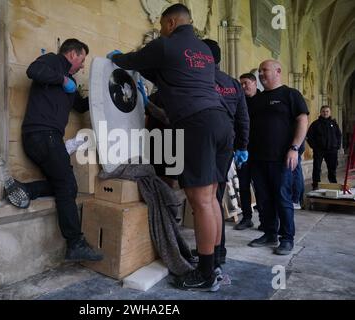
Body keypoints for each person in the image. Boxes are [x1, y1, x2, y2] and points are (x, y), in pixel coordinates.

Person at [108, 4, 233, 291]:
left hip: (196, 123)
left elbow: (131, 60)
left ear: (172, 22)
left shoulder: (166, 44)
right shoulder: (202, 50)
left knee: (200, 200)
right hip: (220, 121)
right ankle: (212, 263)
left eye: (164, 24)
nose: (162, 28)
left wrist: (117, 58)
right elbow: (173, 76)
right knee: (211, 197)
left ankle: (204, 273)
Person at [4, 39, 103, 262]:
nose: (83, 66)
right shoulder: (52, 61)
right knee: (68, 185)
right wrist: (62, 79)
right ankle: (75, 243)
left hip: (45, 138)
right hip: (43, 135)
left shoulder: (72, 84)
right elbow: (33, 70)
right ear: (72, 54)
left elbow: (80, 105)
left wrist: (104, 94)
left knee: (64, 185)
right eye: (82, 59)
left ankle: (26, 189)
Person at [248, 60, 309, 255]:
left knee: (282, 198)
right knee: (264, 199)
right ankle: (269, 233)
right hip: (257, 159)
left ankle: (287, 238)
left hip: (282, 159)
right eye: (259, 71)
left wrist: (294, 148)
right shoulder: (257, 99)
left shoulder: (291, 95)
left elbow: (302, 120)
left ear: (278, 71)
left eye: (264, 70)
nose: (261, 74)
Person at [202, 39, 250, 271]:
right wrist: (242, 146)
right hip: (228, 145)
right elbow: (243, 118)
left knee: (205, 200)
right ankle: (217, 251)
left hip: (206, 141)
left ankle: (210, 254)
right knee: (216, 196)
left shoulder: (199, 78)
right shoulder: (233, 83)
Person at [234, 73, 261, 230]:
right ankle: (247, 217)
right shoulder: (239, 100)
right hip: (242, 151)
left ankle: (265, 219)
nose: (243, 87)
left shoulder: (263, 100)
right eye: (241, 84)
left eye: (246, 83)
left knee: (260, 186)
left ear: (254, 83)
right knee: (243, 186)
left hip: (259, 152)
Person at [306, 105, 342, 190]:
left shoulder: (334, 124)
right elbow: (309, 136)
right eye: (323, 111)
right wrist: (314, 146)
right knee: (317, 168)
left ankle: (333, 184)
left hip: (332, 150)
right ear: (320, 112)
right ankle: (315, 185)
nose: (325, 113)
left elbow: (339, 135)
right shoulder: (315, 124)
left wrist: (337, 146)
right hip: (319, 150)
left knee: (332, 168)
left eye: (327, 111)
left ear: (330, 112)